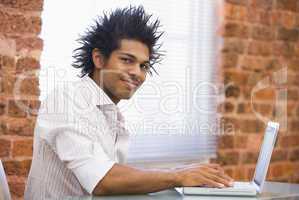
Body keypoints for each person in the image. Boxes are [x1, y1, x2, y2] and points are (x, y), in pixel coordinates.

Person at [24, 6, 233, 199]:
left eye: (144, 66)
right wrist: (178, 176)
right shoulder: (66, 103)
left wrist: (182, 175)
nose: (137, 73)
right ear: (99, 59)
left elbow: (112, 179)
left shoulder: (110, 113)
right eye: (126, 60)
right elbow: (102, 181)